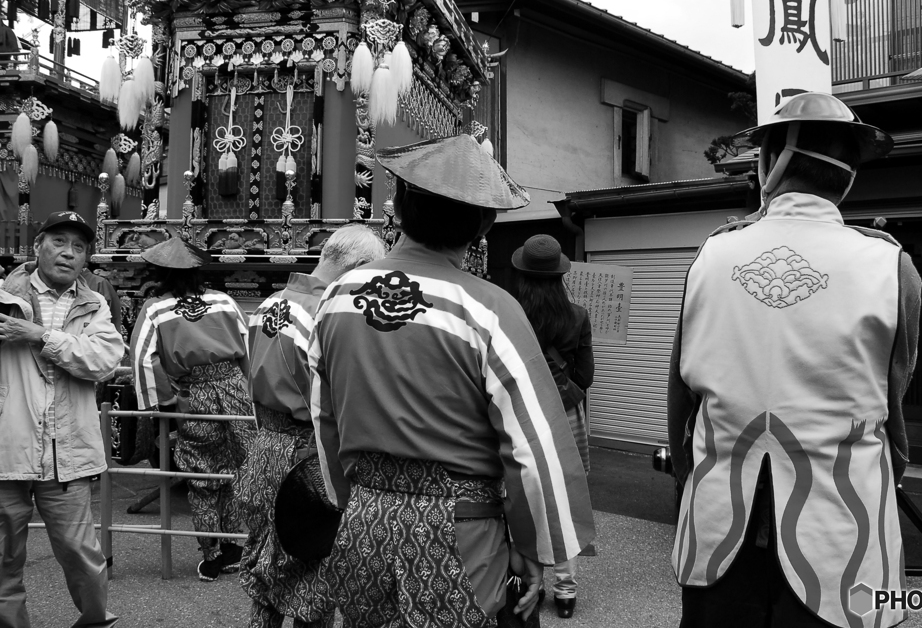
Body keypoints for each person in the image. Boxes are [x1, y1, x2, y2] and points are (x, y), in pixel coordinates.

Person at [310, 134, 595, 627]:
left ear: (397, 207)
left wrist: (348, 504)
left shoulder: (336, 296)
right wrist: (534, 548)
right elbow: (533, 450)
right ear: (483, 225)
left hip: (364, 529)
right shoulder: (489, 309)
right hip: (460, 539)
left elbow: (324, 419)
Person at [667, 92, 922, 628]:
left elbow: (680, 402)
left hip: (720, 522)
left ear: (769, 164)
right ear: (849, 176)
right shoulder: (890, 266)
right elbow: (892, 399)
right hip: (842, 527)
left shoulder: (711, 254)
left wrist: (692, 477)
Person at [239, 224, 386, 628]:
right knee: (313, 573)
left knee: (267, 565)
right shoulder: (330, 312)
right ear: (355, 266)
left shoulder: (269, 303)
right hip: (308, 454)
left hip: (265, 447)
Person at [0, 211, 123, 628]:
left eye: (79, 247)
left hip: (66, 454)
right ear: (37, 246)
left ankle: (94, 621)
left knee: (81, 554)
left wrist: (39, 336)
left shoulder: (94, 304)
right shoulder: (2, 297)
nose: (68, 254)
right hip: (6, 452)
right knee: (2, 560)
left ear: (87, 257)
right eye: (58, 242)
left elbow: (103, 360)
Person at [130, 237, 253, 582]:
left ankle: (211, 554)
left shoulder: (156, 309)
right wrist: (250, 392)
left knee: (202, 476)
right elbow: (248, 349)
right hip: (234, 390)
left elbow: (142, 358)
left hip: (194, 394)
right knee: (236, 470)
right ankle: (238, 545)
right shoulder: (224, 301)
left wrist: (167, 400)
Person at [511, 234, 594, 620]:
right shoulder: (577, 315)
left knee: (524, 494)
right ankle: (566, 591)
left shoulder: (510, 312)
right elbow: (586, 376)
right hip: (566, 415)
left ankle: (532, 583)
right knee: (565, 497)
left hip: (520, 413)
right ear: (560, 274)